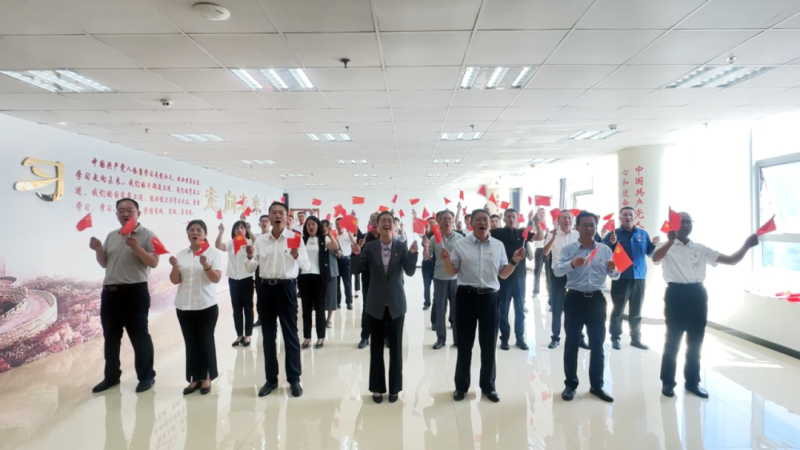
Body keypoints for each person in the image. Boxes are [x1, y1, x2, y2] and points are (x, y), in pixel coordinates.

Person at [653, 212, 758, 399]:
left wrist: (746, 246)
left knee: (696, 341)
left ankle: (693, 382)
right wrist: (669, 242)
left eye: (689, 222)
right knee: (673, 341)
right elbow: (655, 259)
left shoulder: (700, 248)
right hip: (676, 295)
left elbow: (731, 260)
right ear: (674, 225)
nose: (686, 225)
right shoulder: (665, 245)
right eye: (682, 222)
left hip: (698, 295)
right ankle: (668, 382)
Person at [441, 209, 526, 403]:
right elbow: (452, 272)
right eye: (478, 219)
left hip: (490, 298)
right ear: (471, 223)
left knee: (489, 345)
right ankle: (461, 387)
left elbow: (503, 274)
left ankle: (488, 386)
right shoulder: (461, 244)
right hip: (466, 297)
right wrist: (446, 261)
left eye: (485, 219)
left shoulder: (498, 245)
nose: (483, 222)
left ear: (490, 223)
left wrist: (514, 261)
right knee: (464, 344)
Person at [89, 198, 158, 393]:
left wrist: (137, 247)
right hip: (110, 293)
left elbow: (154, 262)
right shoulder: (112, 235)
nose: (125, 214)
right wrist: (98, 249)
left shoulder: (149, 235)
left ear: (138, 213)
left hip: (134, 292)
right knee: (111, 337)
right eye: (121, 210)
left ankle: (146, 376)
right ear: (116, 214)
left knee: (139, 336)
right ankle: (111, 377)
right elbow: (104, 263)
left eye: (130, 210)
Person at [553, 211, 620, 403]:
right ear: (577, 227)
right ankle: (570, 385)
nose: (589, 228)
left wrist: (613, 270)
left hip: (597, 300)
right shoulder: (569, 249)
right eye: (585, 224)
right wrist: (572, 264)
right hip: (574, 299)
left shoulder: (605, 250)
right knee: (572, 343)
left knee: (597, 345)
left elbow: (615, 275)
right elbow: (557, 271)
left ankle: (597, 385)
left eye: (592, 225)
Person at [245, 201, 310, 398]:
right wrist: (250, 257)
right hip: (265, 289)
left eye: (281, 212)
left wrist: (297, 256)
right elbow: (250, 268)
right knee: (268, 336)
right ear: (269, 216)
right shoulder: (260, 240)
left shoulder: (294, 238)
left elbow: (306, 266)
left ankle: (294, 379)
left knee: (290, 335)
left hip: (286, 288)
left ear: (286, 216)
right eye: (274, 212)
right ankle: (271, 379)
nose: (277, 215)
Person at [352, 211, 419, 403]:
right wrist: (355, 255)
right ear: (377, 225)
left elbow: (410, 271)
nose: (386, 223)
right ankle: (377, 387)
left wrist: (413, 254)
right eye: (383, 221)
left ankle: (395, 387)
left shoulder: (401, 246)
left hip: (396, 303)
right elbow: (356, 270)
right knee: (376, 347)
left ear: (394, 226)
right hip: (375, 303)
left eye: (390, 221)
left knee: (396, 349)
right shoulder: (370, 247)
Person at [169, 220, 223, 395]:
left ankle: (207, 376)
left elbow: (216, 279)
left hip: (206, 305)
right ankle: (194, 378)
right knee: (191, 342)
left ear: (205, 234)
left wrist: (206, 264)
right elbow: (175, 280)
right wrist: (174, 266)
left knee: (205, 341)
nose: (195, 233)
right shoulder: (181, 254)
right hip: (184, 305)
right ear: (187, 233)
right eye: (191, 230)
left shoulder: (213, 253)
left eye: (199, 230)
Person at [603, 206, 660, 350]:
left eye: (630, 215)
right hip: (621, 277)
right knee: (618, 310)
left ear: (635, 217)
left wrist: (654, 245)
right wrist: (611, 243)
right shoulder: (614, 234)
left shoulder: (643, 234)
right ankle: (615, 338)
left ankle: (636, 339)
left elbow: (650, 254)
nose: (628, 217)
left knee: (636, 311)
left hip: (639, 277)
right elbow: (602, 251)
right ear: (620, 218)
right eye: (625, 215)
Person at [492, 208, 542, 351]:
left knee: (520, 309)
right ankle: (504, 338)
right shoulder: (497, 233)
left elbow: (539, 237)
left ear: (518, 218)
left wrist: (537, 223)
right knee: (503, 309)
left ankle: (520, 338)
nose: (511, 219)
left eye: (513, 216)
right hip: (504, 275)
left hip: (520, 276)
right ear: (504, 219)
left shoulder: (522, 232)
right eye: (508, 216)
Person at [543, 210, 589, 350]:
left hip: (576, 273)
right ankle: (555, 338)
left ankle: (580, 338)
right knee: (557, 307)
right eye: (564, 218)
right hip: (558, 274)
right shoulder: (552, 234)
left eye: (569, 218)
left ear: (573, 220)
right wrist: (553, 239)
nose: (567, 221)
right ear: (558, 220)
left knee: (577, 307)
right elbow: (545, 252)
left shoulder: (577, 235)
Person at [425, 209, 463, 349]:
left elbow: (464, 258)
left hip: (456, 278)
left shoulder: (460, 238)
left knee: (457, 310)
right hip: (439, 277)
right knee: (440, 309)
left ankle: (458, 339)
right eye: (444, 218)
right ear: (439, 222)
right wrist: (425, 246)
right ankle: (440, 338)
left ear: (453, 221)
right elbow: (427, 257)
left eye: (449, 218)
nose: (447, 221)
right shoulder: (434, 238)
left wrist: (451, 256)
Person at [298, 216, 337, 349]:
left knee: (320, 308)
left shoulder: (323, 239)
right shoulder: (302, 239)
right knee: (306, 309)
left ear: (318, 226)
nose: (311, 227)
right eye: (308, 224)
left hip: (319, 278)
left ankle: (320, 337)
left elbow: (335, 246)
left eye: (313, 224)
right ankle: (307, 337)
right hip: (304, 277)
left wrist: (330, 234)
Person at [215, 220, 255, 347]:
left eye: (242, 227)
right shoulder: (231, 243)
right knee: (236, 308)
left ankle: (248, 335)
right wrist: (221, 233)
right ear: (233, 231)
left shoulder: (249, 242)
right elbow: (218, 246)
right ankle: (239, 335)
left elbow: (257, 243)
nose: (239, 230)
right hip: (233, 279)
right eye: (236, 228)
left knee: (248, 308)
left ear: (245, 230)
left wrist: (250, 231)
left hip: (247, 278)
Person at [357, 213, 380, 349]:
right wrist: (359, 250)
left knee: (384, 306)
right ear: (369, 223)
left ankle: (386, 336)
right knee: (367, 306)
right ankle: (365, 336)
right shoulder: (364, 238)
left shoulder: (386, 238)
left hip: (384, 278)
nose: (375, 223)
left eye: (377, 220)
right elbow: (357, 264)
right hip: (368, 276)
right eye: (373, 221)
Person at [321, 219, 341, 326]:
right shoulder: (317, 239)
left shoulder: (334, 238)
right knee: (321, 296)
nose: (325, 229)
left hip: (332, 270)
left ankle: (329, 318)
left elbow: (339, 250)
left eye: (327, 227)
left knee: (332, 295)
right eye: (323, 227)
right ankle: (322, 317)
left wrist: (339, 253)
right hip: (320, 271)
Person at [253, 214, 271, 327]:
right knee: (260, 295)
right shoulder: (257, 237)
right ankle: (260, 318)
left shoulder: (273, 237)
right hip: (259, 269)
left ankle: (273, 319)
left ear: (270, 223)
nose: (264, 223)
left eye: (266, 221)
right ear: (259, 224)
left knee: (272, 296)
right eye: (262, 221)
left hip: (271, 269)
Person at [335, 217, 356, 310]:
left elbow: (354, 242)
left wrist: (349, 232)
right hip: (336, 260)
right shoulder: (334, 234)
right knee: (336, 282)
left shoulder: (347, 234)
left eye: (340, 223)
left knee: (347, 282)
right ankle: (337, 302)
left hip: (346, 260)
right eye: (337, 224)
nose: (338, 226)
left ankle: (349, 302)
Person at [531, 208, 550, 299]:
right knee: (537, 271)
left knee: (548, 272)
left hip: (548, 249)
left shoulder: (549, 224)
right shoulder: (534, 224)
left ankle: (550, 291)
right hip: (539, 249)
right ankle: (536, 291)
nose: (542, 214)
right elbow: (531, 234)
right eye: (540, 213)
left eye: (543, 212)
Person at [421, 215, 436, 312]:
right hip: (427, 263)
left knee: (437, 285)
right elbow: (424, 243)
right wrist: (426, 232)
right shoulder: (425, 234)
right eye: (430, 223)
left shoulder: (439, 234)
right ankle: (427, 303)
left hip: (436, 264)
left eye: (434, 222)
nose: (432, 224)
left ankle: (436, 302)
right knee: (426, 285)